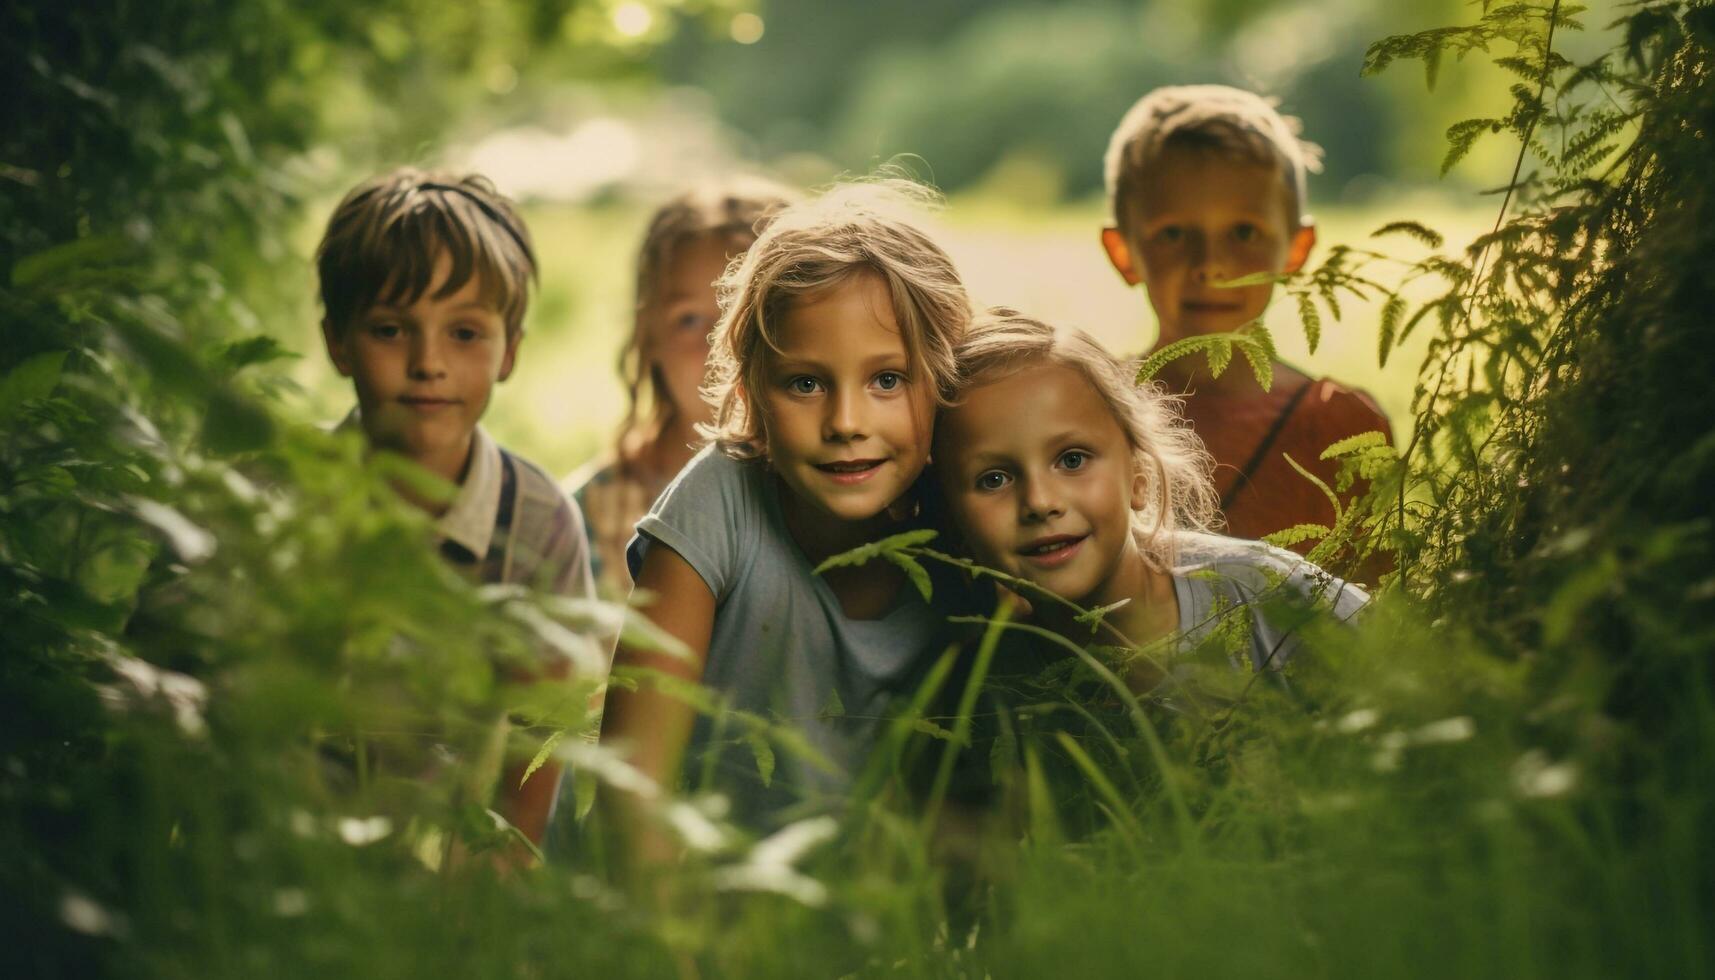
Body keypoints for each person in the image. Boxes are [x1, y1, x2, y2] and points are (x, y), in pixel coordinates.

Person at [597, 181, 974, 865]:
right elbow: (633, 783)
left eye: (886, 379)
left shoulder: (969, 514)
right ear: (749, 396)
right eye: (805, 383)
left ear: (943, 383)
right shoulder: (717, 502)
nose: (846, 423)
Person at [316, 167, 595, 846]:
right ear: (337, 343)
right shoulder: (274, 500)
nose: (428, 362)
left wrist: (502, 866)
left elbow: (543, 732)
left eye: (464, 333)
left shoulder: (539, 524)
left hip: (449, 871)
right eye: (390, 329)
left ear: (509, 352)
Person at [933, 310, 1368, 688]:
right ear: (954, 519)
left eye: (1072, 459)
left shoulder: (1273, 598)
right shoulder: (986, 689)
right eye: (993, 479)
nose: (1040, 502)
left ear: (1139, 474)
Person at [1099, 84, 1392, 553]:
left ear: (1297, 249)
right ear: (1123, 253)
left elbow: (1368, 611)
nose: (1211, 262)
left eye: (1243, 232)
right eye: (1173, 233)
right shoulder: (1092, 410)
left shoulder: (1341, 427)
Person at [566, 178, 799, 598]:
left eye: (752, 317)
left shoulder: (839, 495)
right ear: (647, 333)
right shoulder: (577, 520)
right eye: (690, 320)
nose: (720, 348)